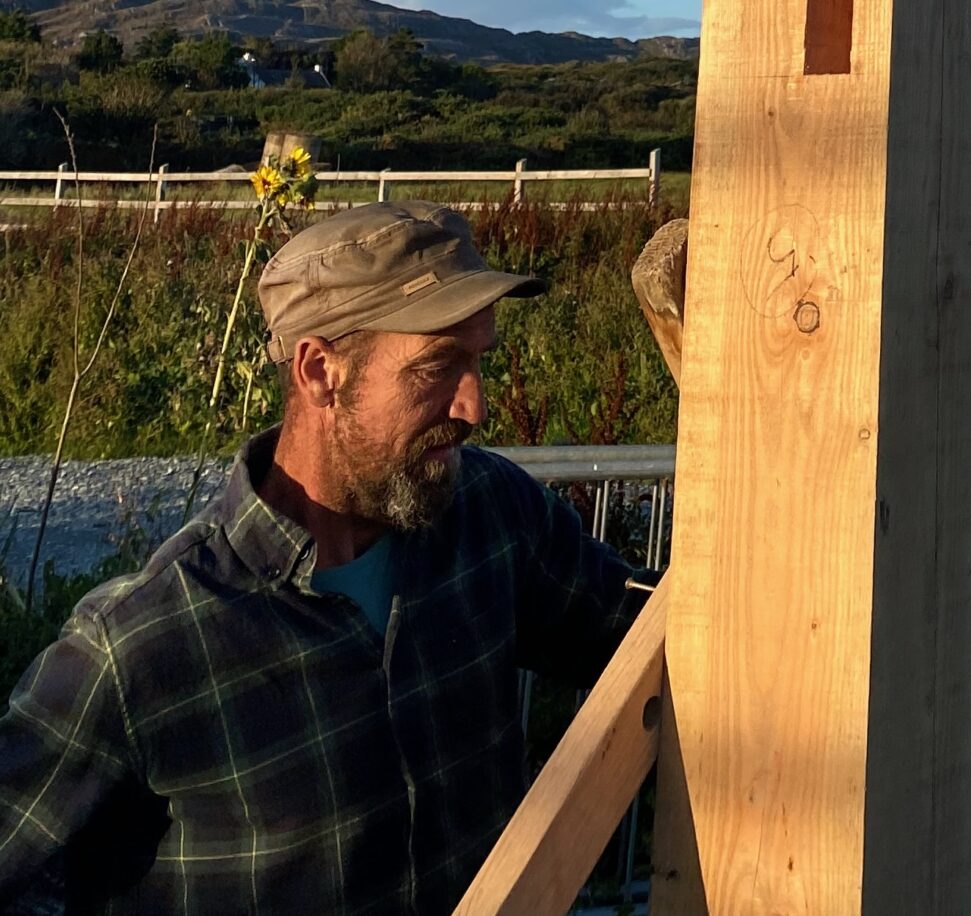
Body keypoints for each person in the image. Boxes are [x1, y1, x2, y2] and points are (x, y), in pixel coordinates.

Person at [0, 201, 658, 914]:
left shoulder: (490, 519)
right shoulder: (143, 644)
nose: (475, 405)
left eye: (478, 362)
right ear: (320, 372)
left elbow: (662, 632)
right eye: (439, 367)